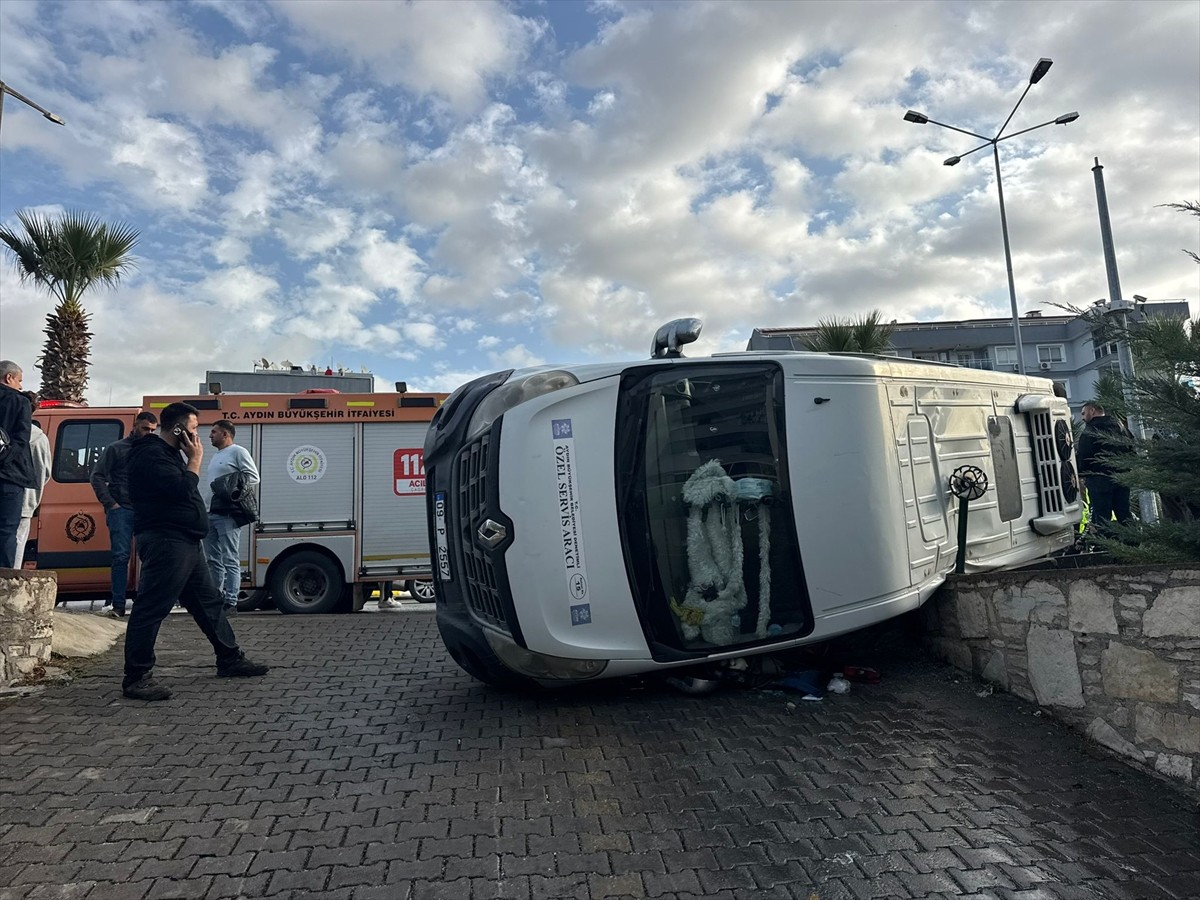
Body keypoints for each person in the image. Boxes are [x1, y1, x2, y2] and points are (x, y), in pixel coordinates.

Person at [121, 402, 269, 701]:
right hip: (167, 541)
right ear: (177, 429)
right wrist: (195, 460)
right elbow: (180, 489)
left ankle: (230, 658)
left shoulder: (168, 454)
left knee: (208, 603)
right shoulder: (150, 454)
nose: (197, 437)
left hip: (185, 541)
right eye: (192, 430)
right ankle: (137, 678)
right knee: (152, 607)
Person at [90, 410, 159, 616]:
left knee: (150, 557)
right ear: (135, 425)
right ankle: (119, 605)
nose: (148, 433)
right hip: (122, 509)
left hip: (145, 510)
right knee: (121, 557)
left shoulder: (153, 450)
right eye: (145, 428)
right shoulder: (116, 449)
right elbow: (97, 476)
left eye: (152, 430)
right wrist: (111, 504)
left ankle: (146, 604)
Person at [204, 419, 259, 613]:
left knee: (230, 558)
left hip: (227, 513)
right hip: (211, 512)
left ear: (225, 434)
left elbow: (253, 477)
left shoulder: (238, 452)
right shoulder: (217, 455)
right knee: (212, 559)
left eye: (214, 431)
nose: (210, 435)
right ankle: (216, 599)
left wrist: (232, 490)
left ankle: (231, 601)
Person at [1077, 400, 1134, 535]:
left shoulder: (1091, 430)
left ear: (1092, 411)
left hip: (1099, 479)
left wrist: (1081, 473)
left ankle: (1106, 548)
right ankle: (1132, 544)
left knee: (1102, 516)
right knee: (1124, 513)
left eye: (1084, 413)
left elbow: (1084, 455)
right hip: (1122, 477)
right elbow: (1131, 449)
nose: (1083, 418)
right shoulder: (1121, 427)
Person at [0, 361, 36, 569]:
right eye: (20, 380)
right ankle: (3, 584)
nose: (21, 386)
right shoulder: (19, 402)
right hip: (10, 477)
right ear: (9, 378)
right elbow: (21, 440)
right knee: (6, 530)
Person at [13, 393, 51, 569]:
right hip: (25, 501)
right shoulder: (38, 438)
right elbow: (43, 472)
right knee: (17, 546)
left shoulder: (6, 432)